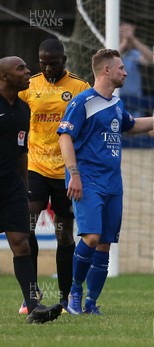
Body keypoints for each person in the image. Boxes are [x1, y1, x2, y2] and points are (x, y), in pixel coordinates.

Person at [57, 49, 154, 315]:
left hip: (113, 184)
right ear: (106, 70)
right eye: (121, 68)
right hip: (88, 181)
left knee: (105, 242)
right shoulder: (83, 101)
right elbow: (64, 137)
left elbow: (132, 125)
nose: (126, 72)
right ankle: (74, 292)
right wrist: (74, 174)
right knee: (92, 237)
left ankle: (91, 303)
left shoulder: (117, 104)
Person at [17, 39, 91, 314]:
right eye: (43, 62)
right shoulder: (29, 86)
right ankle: (31, 294)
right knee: (27, 227)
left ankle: (66, 296)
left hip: (66, 171)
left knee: (64, 234)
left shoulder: (79, 88)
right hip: (35, 166)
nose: (48, 68)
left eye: (53, 63)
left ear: (64, 61)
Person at [0, 55, 63, 324]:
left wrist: (24, 187)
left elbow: (22, 151)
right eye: (21, 68)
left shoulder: (25, 108)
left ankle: (33, 306)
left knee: (21, 243)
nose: (28, 72)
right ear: (4, 76)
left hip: (13, 186)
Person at [118, 23, 153, 116]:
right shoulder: (109, 49)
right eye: (123, 32)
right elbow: (110, 59)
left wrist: (132, 39)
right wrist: (124, 43)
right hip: (115, 99)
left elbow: (152, 59)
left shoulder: (134, 54)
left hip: (135, 102)